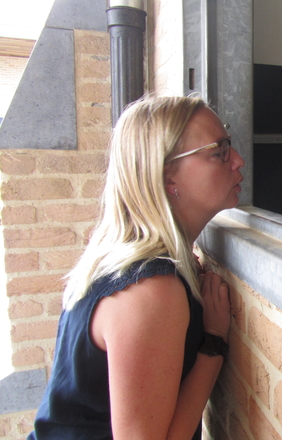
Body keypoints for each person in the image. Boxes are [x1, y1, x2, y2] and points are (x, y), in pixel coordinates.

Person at [28, 95, 245, 440]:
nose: (237, 160)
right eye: (219, 151)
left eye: (229, 146)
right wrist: (214, 344)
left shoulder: (144, 266)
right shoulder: (149, 289)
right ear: (166, 176)